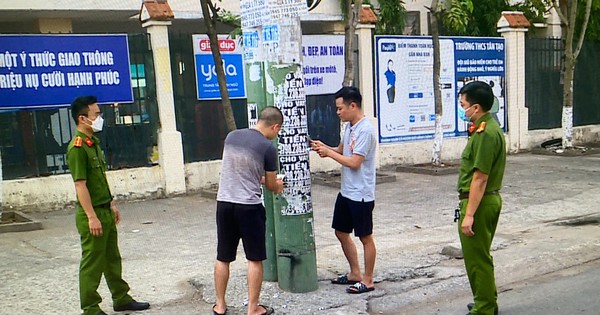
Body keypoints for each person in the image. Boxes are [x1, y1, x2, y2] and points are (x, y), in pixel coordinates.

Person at [66, 96, 150, 315]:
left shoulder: (93, 144)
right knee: (93, 262)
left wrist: (111, 204)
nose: (99, 117)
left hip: (104, 209)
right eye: (96, 114)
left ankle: (121, 297)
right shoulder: (77, 148)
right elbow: (80, 185)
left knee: (112, 257)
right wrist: (91, 217)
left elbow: (99, 179)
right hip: (91, 214)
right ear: (82, 118)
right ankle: (91, 308)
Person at [213, 106, 284, 315]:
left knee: (223, 257)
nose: (276, 135)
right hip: (249, 208)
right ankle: (253, 308)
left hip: (224, 204)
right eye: (278, 131)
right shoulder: (268, 148)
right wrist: (278, 186)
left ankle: (220, 305)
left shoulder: (232, 137)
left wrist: (261, 179)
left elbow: (241, 172)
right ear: (275, 126)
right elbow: (271, 186)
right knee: (254, 258)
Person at [311, 86, 377, 294]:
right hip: (347, 191)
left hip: (361, 194)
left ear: (353, 105)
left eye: (340, 109)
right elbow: (342, 150)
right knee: (341, 231)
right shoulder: (349, 126)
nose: (338, 112)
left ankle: (368, 279)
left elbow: (355, 162)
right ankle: (355, 273)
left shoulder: (366, 130)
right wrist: (325, 148)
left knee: (365, 237)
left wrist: (329, 155)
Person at [456, 81, 506, 315]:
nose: (461, 108)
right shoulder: (484, 127)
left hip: (480, 201)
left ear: (476, 107)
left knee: (478, 259)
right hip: (481, 200)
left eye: (463, 104)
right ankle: (485, 299)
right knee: (478, 256)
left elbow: (480, 178)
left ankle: (485, 308)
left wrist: (469, 215)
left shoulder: (486, 133)